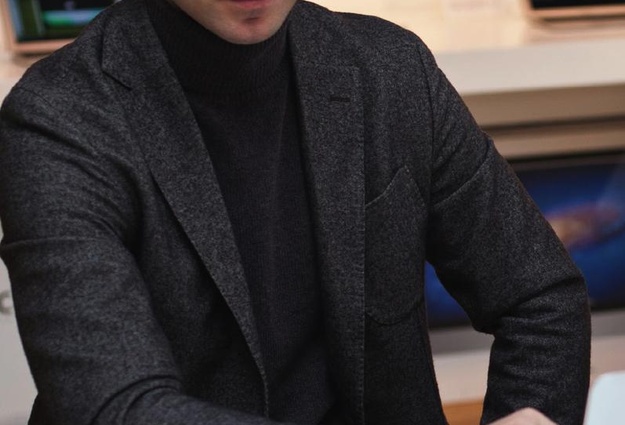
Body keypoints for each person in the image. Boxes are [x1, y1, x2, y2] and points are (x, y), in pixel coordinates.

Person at [0, 0, 591, 424]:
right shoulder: (58, 120)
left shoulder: (391, 69)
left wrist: (530, 411)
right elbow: (115, 406)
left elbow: (539, 297)